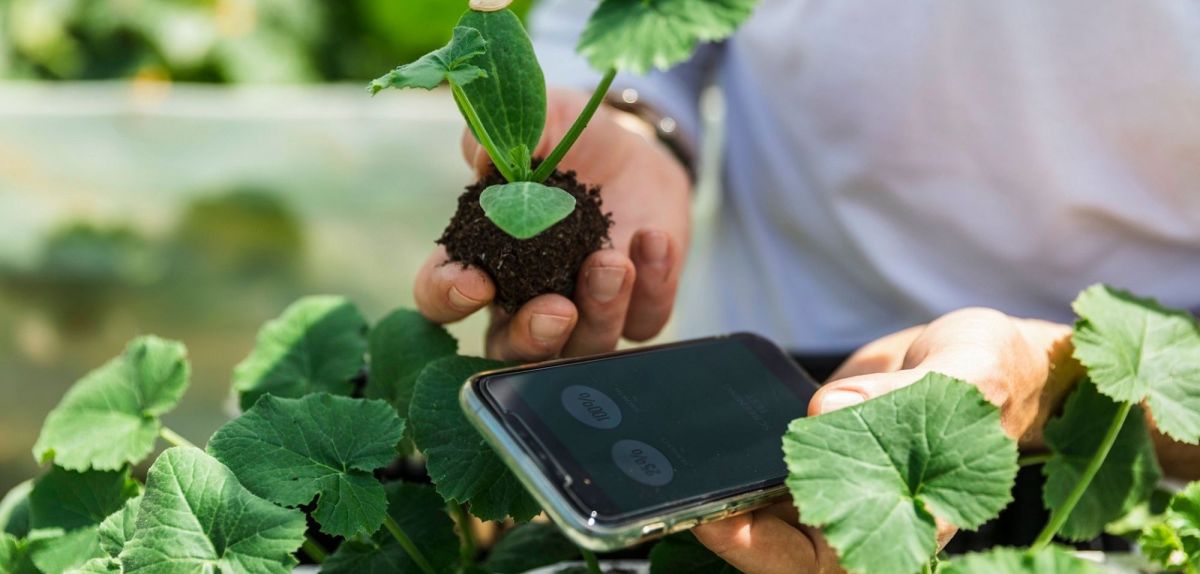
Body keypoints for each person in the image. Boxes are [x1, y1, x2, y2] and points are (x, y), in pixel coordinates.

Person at [414, 1, 1200, 571]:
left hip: (1130, 436)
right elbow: (638, 30)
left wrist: (1058, 379)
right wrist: (637, 129)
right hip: (760, 381)